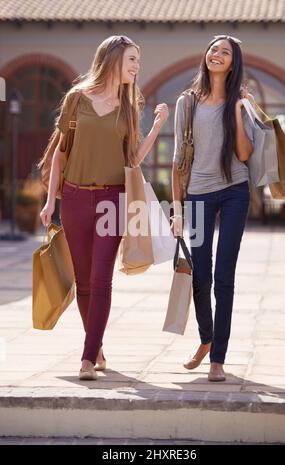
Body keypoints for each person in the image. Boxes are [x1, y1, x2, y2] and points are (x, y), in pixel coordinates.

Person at [40, 35, 169, 380]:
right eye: (132, 60)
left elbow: (133, 161)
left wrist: (156, 128)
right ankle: (95, 345)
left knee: (101, 280)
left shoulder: (129, 107)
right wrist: (51, 200)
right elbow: (61, 153)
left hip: (112, 201)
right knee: (82, 282)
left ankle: (86, 358)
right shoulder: (76, 100)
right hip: (75, 199)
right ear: (112, 59)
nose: (137, 67)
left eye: (138, 61)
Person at [172, 35, 254, 382]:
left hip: (235, 190)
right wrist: (177, 209)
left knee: (224, 279)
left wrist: (236, 110)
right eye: (213, 49)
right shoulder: (186, 103)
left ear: (233, 63)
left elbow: (245, 154)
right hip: (198, 194)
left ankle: (217, 358)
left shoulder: (240, 101)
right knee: (200, 278)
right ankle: (206, 339)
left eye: (225, 52)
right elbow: (177, 161)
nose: (216, 54)